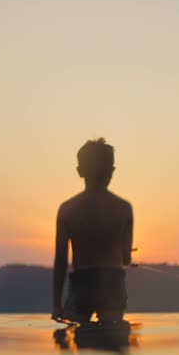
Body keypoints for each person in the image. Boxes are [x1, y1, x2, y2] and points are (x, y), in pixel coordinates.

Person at [52, 138, 134, 326]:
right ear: (112, 171)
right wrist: (126, 256)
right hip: (112, 284)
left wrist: (56, 304)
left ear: (80, 171)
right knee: (115, 343)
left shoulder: (67, 209)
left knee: (79, 344)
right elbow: (126, 258)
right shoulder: (123, 208)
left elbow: (61, 260)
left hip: (82, 284)